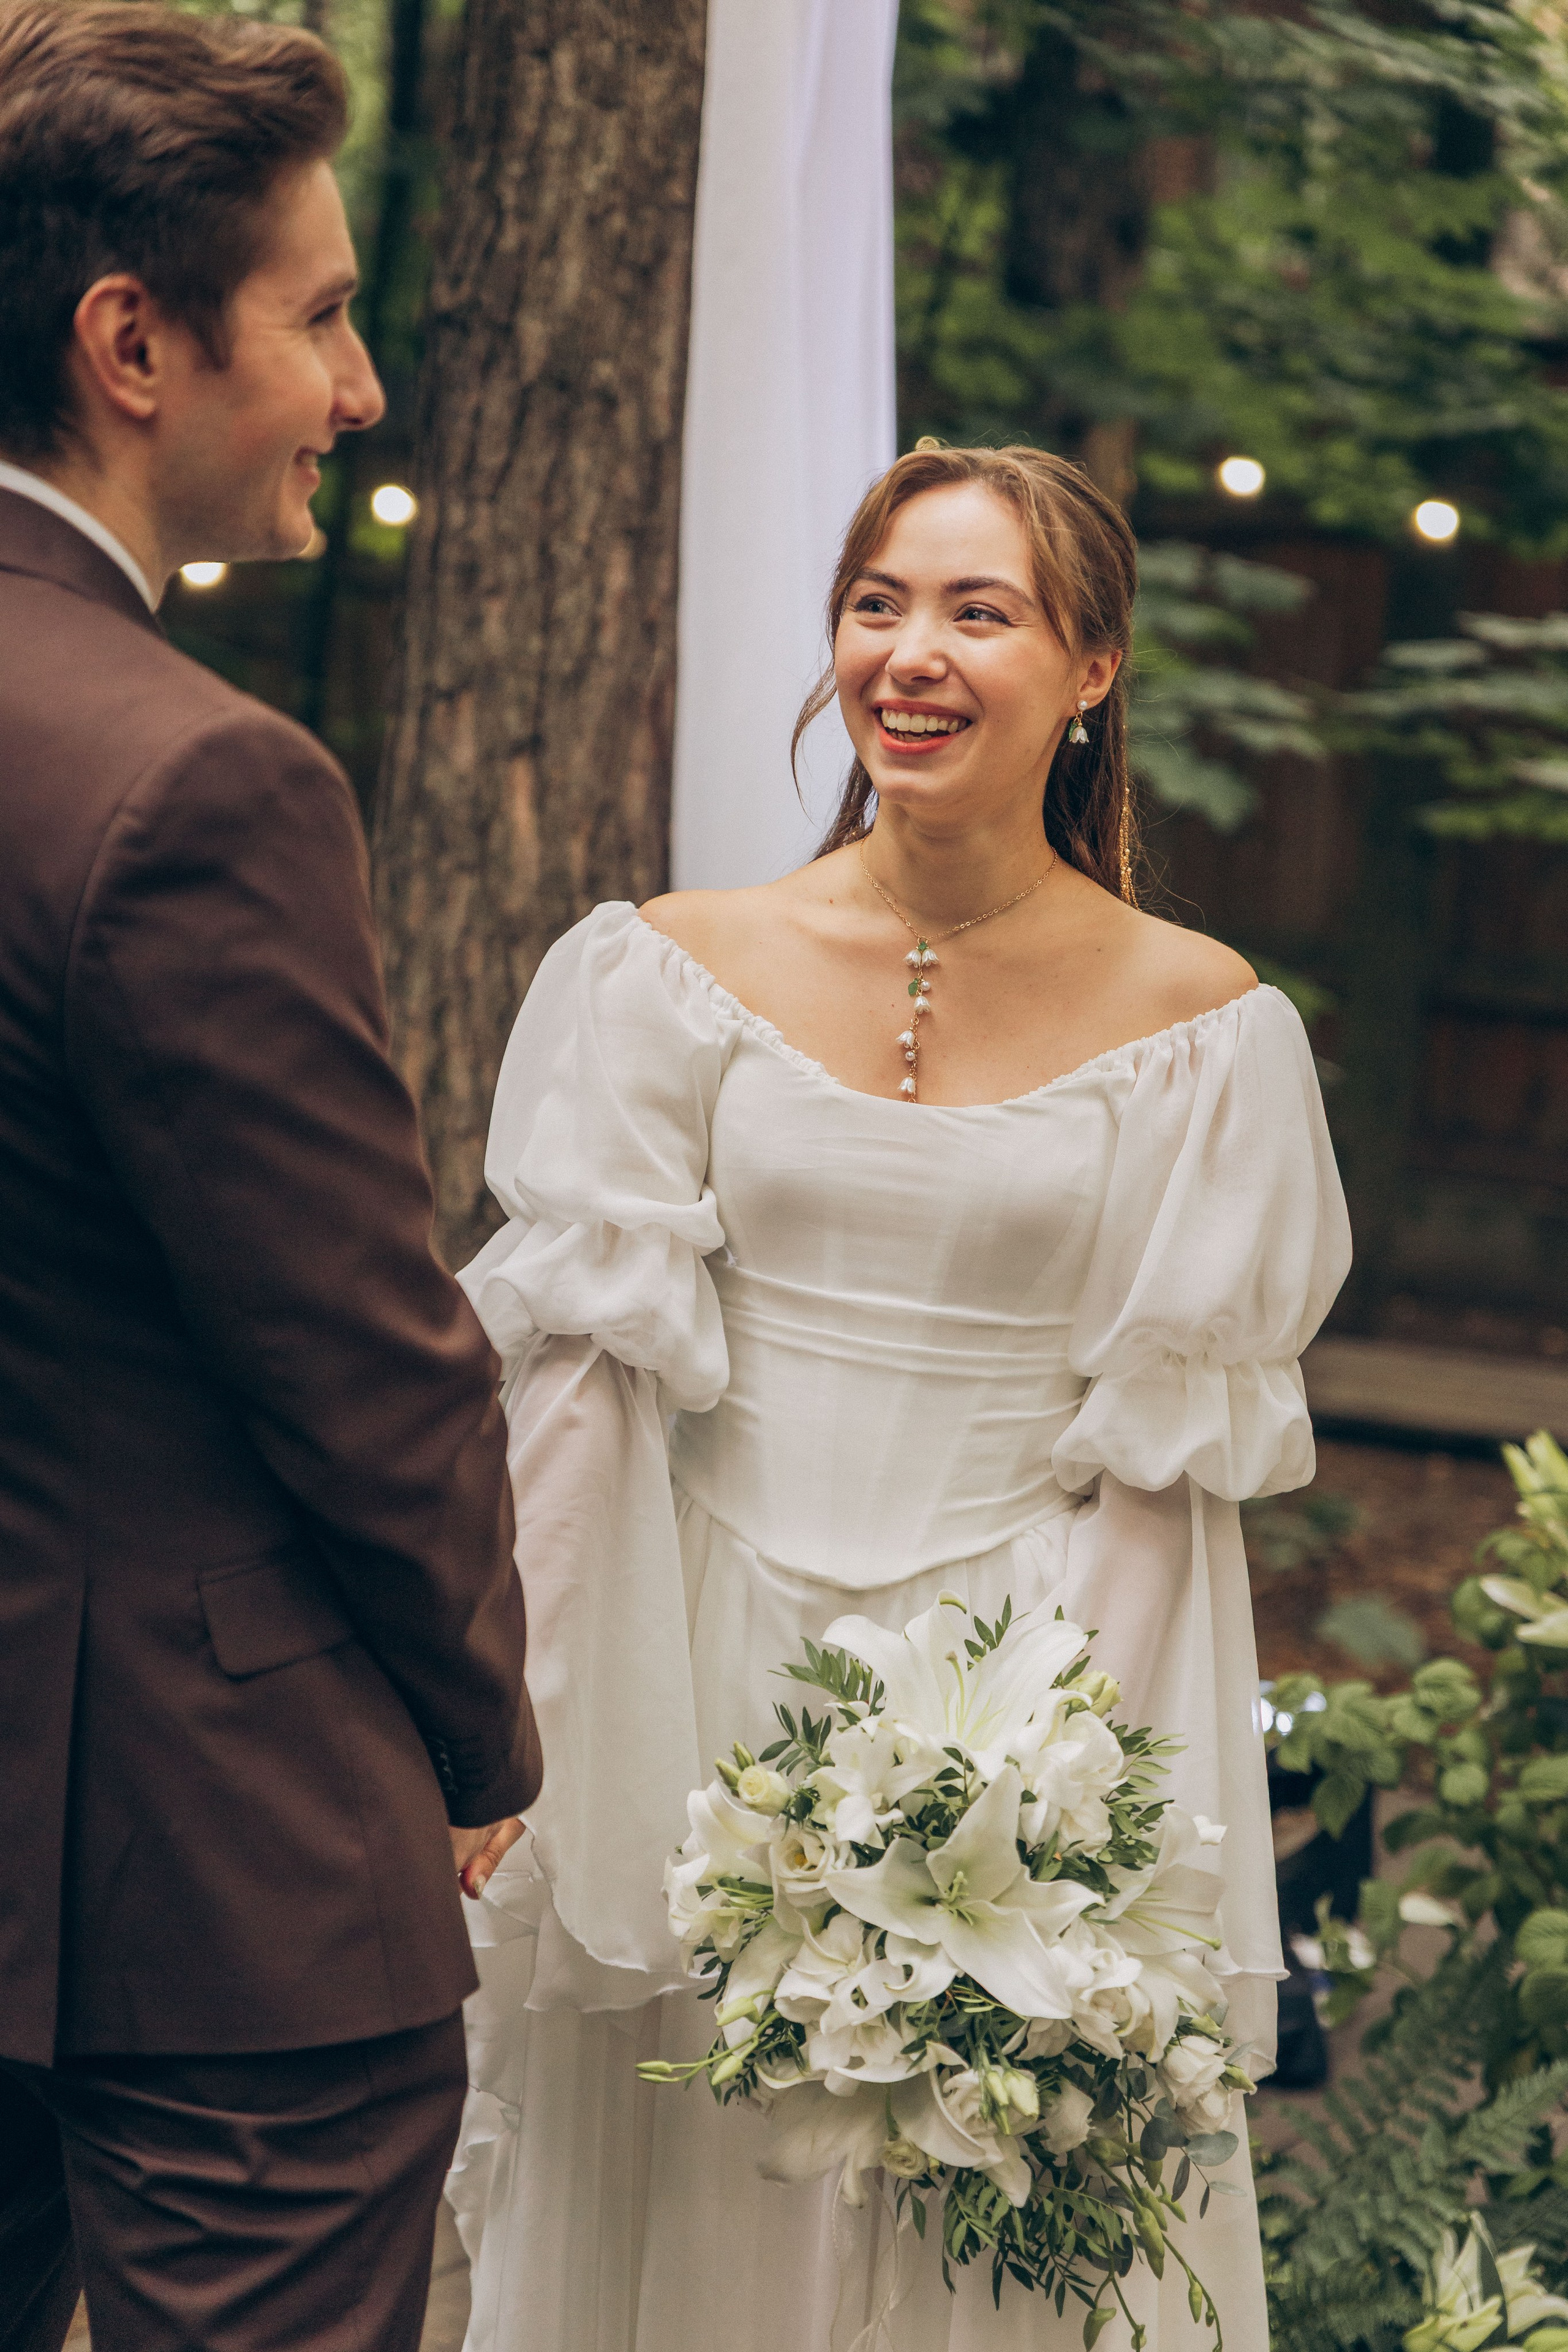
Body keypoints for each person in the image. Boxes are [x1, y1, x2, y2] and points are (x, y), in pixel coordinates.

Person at [448, 442, 1350, 2351]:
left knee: (954, 2244)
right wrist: (532, 1733)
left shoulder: (1206, 1030)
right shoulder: (663, 974)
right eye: (879, 605)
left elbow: (1159, 1483)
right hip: (689, 1674)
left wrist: (1035, 1819)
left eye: (977, 610)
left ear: (1091, 668)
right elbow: (582, 1410)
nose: (911, 654)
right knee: (676, 2203)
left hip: (1013, 1687)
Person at [0, 8, 541, 2349]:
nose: (361, 385)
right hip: (211, 1873)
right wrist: (480, 1727)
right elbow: (358, 1349)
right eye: (321, 316)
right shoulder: (196, 784)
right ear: (133, 340)